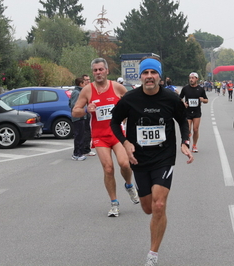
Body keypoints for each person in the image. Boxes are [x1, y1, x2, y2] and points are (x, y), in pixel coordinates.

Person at [110, 57, 194, 266]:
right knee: (148, 208)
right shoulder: (130, 99)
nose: (149, 77)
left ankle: (152, 255)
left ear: (159, 76)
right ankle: (155, 211)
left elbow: (182, 120)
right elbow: (113, 122)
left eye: (153, 73)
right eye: (145, 73)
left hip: (164, 157)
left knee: (158, 204)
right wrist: (125, 142)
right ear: (141, 76)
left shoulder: (170, 98)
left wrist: (184, 142)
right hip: (139, 159)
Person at [72, 58, 139, 217]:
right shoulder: (87, 90)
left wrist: (126, 115)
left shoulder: (116, 87)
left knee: (125, 164)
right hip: (100, 136)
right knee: (108, 168)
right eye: (95, 70)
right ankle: (114, 203)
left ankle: (129, 185)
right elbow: (75, 111)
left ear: (107, 71)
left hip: (116, 134)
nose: (98, 73)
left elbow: (133, 103)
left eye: (101, 69)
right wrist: (87, 110)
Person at [179, 72, 208, 153]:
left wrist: (203, 100)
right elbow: (179, 98)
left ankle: (194, 145)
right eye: (190, 78)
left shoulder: (201, 89)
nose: (191, 79)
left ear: (196, 79)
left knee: (195, 129)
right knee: (188, 130)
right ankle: (187, 144)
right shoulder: (185, 88)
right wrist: (183, 104)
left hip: (197, 112)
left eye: (192, 78)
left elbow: (206, 100)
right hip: (187, 112)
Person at [69, 77, 94, 160]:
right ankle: (76, 154)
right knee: (78, 136)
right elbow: (73, 105)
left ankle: (80, 152)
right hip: (78, 117)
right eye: (84, 83)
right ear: (80, 84)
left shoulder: (79, 92)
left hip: (82, 116)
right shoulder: (77, 93)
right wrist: (80, 111)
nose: (85, 84)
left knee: (81, 135)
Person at [81, 74, 95, 157]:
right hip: (84, 114)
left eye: (89, 79)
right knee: (85, 132)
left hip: (89, 114)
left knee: (87, 131)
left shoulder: (90, 89)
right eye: (86, 80)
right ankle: (85, 149)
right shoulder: (83, 91)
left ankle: (85, 148)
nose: (88, 81)